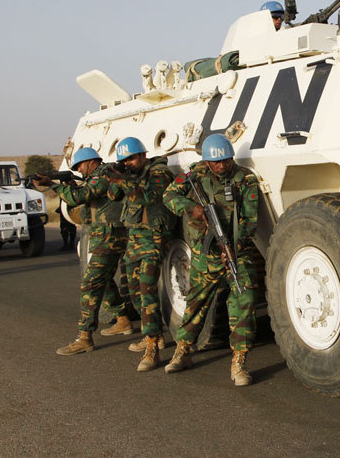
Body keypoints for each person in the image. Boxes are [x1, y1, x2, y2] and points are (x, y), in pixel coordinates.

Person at [162, 134, 259, 385]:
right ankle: (183, 351)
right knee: (195, 303)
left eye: (225, 161)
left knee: (244, 298)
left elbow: (249, 220)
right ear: (206, 161)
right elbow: (169, 196)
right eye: (215, 163)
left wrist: (234, 248)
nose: (221, 166)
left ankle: (239, 362)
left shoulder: (244, 178)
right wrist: (191, 208)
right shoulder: (195, 174)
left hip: (236, 251)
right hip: (206, 253)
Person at [44, 147, 136, 356]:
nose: (79, 170)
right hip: (106, 235)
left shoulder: (103, 175)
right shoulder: (97, 176)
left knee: (90, 284)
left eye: (80, 166)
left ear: (90, 162)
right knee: (103, 281)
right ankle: (122, 319)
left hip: (110, 236)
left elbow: (80, 197)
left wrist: (52, 186)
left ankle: (85, 337)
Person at [105, 137, 176, 372]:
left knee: (147, 292)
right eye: (124, 160)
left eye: (132, 158)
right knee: (134, 290)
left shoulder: (159, 172)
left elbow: (150, 197)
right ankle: (151, 335)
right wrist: (117, 177)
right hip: (135, 239)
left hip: (154, 238)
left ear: (144, 156)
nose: (129, 163)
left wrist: (124, 180)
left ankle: (153, 346)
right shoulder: (130, 175)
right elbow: (114, 196)